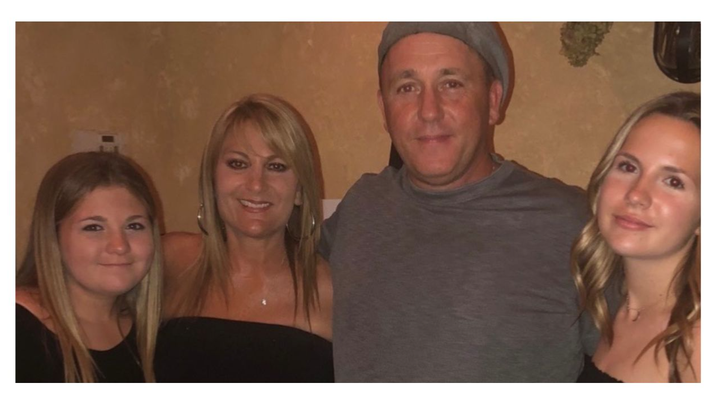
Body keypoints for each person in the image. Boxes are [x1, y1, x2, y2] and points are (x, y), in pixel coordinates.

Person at [320, 22, 600, 382]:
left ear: (493, 101)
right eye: (406, 87)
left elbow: (645, 356)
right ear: (383, 108)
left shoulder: (569, 223)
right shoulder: (361, 207)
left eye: (451, 84)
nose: (429, 111)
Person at [156, 93, 333, 382]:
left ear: (300, 190)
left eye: (276, 166)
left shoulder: (333, 289)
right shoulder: (170, 261)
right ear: (212, 179)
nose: (256, 184)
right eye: (238, 164)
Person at [573, 92, 700, 383]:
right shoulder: (607, 308)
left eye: (673, 181)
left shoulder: (698, 344)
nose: (636, 194)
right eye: (628, 167)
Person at [16, 151, 163, 382]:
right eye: (93, 227)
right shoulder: (17, 328)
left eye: (134, 226)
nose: (119, 246)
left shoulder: (157, 334)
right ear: (52, 236)